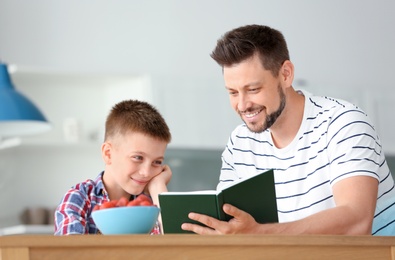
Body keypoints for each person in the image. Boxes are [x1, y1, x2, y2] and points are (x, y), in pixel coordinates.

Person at [181, 24, 395, 235]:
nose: (243, 105)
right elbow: (232, 227)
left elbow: (356, 222)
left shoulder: (343, 123)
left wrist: (261, 234)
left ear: (285, 74)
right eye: (233, 92)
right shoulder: (240, 143)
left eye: (253, 89)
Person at [54, 99, 172, 235]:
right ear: (108, 154)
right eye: (138, 157)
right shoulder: (80, 198)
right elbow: (69, 254)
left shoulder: (153, 202)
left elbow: (178, 251)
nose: (146, 172)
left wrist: (158, 188)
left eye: (157, 162)